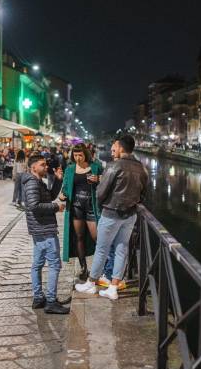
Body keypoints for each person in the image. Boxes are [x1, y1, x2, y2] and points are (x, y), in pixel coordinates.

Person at [75, 135, 148, 301]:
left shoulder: (114, 166)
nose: (112, 150)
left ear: (121, 148)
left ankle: (91, 283)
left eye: (114, 147)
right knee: (122, 249)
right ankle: (113, 287)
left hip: (111, 213)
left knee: (102, 249)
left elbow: (101, 192)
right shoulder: (141, 168)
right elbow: (144, 193)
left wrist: (103, 201)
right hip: (130, 215)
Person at [22, 153, 69, 314]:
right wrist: (57, 207)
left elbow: (49, 196)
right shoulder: (32, 183)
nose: (46, 167)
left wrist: (58, 180)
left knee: (38, 263)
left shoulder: (37, 182)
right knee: (54, 264)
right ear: (33, 167)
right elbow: (34, 205)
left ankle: (38, 297)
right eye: (42, 165)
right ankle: (50, 301)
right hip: (44, 228)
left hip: (39, 228)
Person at [59, 144, 103, 281]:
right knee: (79, 237)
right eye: (75, 155)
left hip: (92, 207)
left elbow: (106, 183)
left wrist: (99, 179)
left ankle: (100, 268)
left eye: (80, 155)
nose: (78, 158)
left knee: (98, 238)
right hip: (76, 207)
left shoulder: (95, 167)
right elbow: (65, 188)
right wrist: (62, 195)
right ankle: (84, 267)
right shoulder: (70, 169)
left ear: (86, 155)